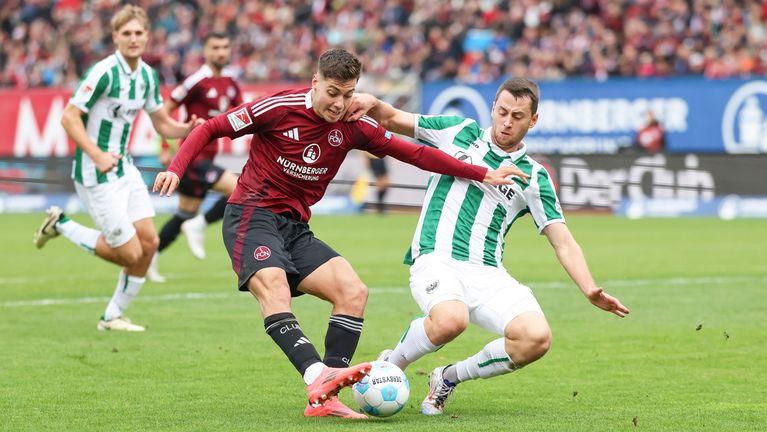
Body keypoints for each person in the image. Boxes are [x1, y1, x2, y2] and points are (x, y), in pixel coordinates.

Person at [152, 48, 528, 419]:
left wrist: (481, 173)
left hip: (295, 227)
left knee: (353, 291)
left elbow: (413, 154)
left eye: (348, 94)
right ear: (315, 83)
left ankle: (328, 394)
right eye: (333, 92)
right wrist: (177, 168)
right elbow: (209, 127)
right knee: (275, 286)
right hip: (253, 214)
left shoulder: (353, 124)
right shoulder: (278, 108)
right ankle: (318, 378)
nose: (339, 103)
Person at [345, 77, 630, 415]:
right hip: (436, 257)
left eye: (518, 116)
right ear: (493, 107)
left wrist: (589, 288)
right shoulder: (458, 131)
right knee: (451, 320)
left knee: (535, 338)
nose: (507, 122)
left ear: (533, 120)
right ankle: (391, 365)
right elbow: (393, 118)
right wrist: (371, 102)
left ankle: (448, 377)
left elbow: (562, 240)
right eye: (503, 112)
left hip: (487, 271)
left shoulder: (535, 176)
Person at [32, 5, 202, 331]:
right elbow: (69, 116)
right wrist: (96, 154)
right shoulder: (103, 72)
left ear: (148, 36)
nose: (134, 38)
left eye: (139, 33)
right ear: (115, 37)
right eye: (127, 33)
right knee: (129, 254)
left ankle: (112, 316)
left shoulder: (148, 77)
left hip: (125, 169)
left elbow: (160, 122)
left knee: (149, 245)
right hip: (95, 174)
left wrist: (185, 129)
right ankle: (61, 223)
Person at [148, 32, 243, 283]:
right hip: (192, 157)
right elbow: (164, 111)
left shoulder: (232, 82)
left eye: (225, 46)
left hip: (210, 158)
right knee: (239, 190)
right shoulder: (195, 82)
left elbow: (242, 115)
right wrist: (165, 145)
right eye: (216, 47)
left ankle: (150, 256)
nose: (221, 52)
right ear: (206, 51)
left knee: (185, 214)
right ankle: (200, 224)